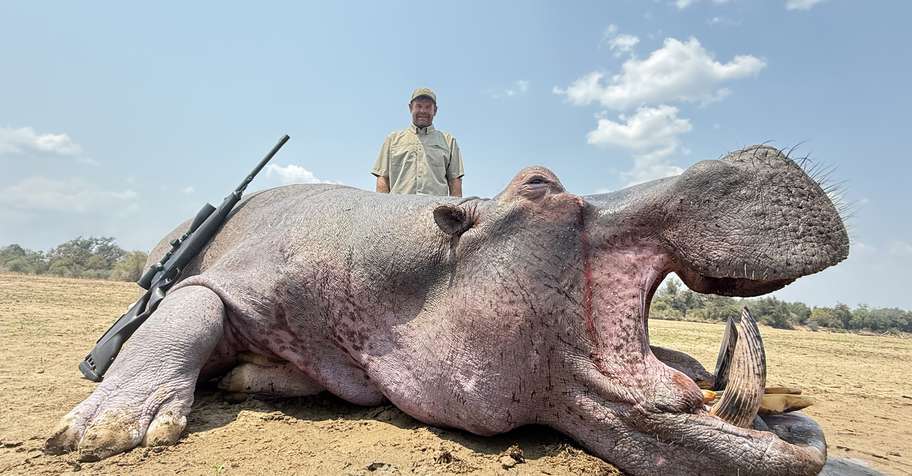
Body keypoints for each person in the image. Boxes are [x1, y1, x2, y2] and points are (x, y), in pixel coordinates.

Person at [371, 88, 464, 197]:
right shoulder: (392, 140)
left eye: (428, 107)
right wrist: (384, 209)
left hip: (435, 210)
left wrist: (454, 212)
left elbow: (455, 181)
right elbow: (382, 178)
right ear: (410, 108)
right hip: (399, 210)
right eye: (418, 106)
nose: (423, 111)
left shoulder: (449, 141)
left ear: (435, 111)